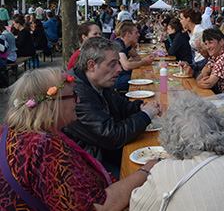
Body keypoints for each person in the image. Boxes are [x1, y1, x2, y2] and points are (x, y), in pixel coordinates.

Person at [0, 67, 157, 210]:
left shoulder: (9, 129)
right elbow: (99, 206)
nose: (78, 100)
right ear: (51, 104)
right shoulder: (45, 147)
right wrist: (145, 171)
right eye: (73, 95)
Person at [129, 94, 224, 210]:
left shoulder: (163, 172)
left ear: (169, 139)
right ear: (220, 128)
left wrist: (145, 171)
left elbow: (136, 206)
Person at [64, 37, 161, 177]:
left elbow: (120, 106)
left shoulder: (98, 82)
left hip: (105, 152)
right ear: (91, 65)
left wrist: (140, 106)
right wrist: (146, 115)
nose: (119, 69)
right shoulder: (77, 96)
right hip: (90, 166)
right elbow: (113, 136)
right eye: (112, 64)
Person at [196, 28, 224, 96]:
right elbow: (202, 74)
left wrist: (198, 83)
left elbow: (209, 83)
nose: (207, 47)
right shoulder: (215, 56)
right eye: (206, 44)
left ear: (221, 42)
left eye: (210, 43)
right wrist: (202, 76)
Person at [113, 21, 154, 91]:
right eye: (136, 33)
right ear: (128, 34)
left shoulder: (127, 44)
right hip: (113, 80)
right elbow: (126, 67)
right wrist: (144, 62)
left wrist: (130, 64)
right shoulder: (119, 44)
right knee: (142, 79)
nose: (138, 35)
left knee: (144, 76)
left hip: (120, 75)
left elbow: (137, 57)